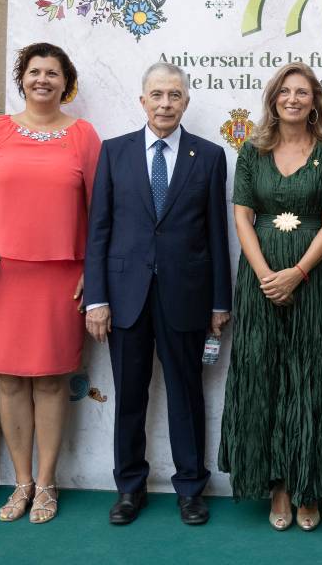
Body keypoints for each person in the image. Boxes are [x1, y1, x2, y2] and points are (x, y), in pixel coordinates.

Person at [0, 42, 101, 523]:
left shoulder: (84, 136)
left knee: (52, 382)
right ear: (22, 78)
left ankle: (48, 483)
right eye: (35, 72)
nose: (43, 80)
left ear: (65, 82)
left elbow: (100, 214)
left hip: (60, 277)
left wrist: (93, 272)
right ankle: (21, 483)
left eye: (53, 73)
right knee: (8, 382)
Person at [83, 62, 231, 526]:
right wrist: (96, 299)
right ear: (142, 100)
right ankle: (129, 487)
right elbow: (99, 231)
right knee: (129, 396)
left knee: (187, 396)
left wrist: (220, 301)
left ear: (186, 102)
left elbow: (216, 234)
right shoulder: (114, 152)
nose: (165, 103)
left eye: (174, 95)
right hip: (124, 298)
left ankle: (191, 488)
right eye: (157, 95)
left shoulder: (208, 156)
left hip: (186, 296)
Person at [218, 62, 322, 531]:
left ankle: (308, 485)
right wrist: (264, 275)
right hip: (260, 283)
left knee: (311, 379)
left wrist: (295, 273)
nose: (293, 99)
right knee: (264, 377)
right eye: (285, 91)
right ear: (274, 98)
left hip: (315, 279)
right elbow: (241, 218)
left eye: (303, 92)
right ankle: (276, 484)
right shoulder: (251, 152)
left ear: (315, 101)